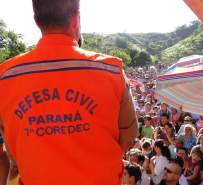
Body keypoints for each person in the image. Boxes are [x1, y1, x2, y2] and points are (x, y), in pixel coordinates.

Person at [0, 0, 138, 185]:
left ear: (36, 21)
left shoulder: (6, 77)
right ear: (76, 19)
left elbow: (10, 148)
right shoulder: (111, 71)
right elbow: (128, 136)